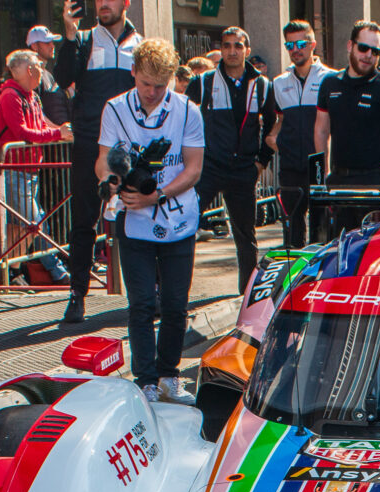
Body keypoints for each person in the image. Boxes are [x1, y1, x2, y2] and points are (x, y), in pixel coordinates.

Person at [98, 38, 204, 404]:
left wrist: (156, 195)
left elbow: (193, 168)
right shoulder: (114, 108)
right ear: (133, 73)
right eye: (146, 84)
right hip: (134, 222)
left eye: (161, 86)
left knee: (175, 303)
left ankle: (169, 374)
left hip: (178, 220)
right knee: (141, 302)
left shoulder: (189, 110)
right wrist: (112, 182)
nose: (153, 92)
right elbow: (104, 160)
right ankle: (145, 379)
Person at [55, 0, 142, 324]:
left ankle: (147, 294)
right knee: (84, 221)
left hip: (131, 144)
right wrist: (68, 33)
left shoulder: (140, 43)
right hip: (91, 143)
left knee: (136, 214)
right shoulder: (84, 39)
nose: (103, 4)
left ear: (126, 3)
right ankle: (77, 294)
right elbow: (62, 77)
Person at [186, 26, 276, 294]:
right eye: (227, 46)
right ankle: (175, 293)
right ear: (221, 49)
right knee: (185, 226)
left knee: (245, 235)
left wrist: (261, 161)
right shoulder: (203, 83)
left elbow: (272, 125)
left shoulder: (261, 84)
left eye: (238, 46)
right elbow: (184, 120)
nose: (232, 51)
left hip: (242, 170)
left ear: (247, 50)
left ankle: (247, 294)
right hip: (209, 167)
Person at [314, 19, 380, 235]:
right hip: (339, 182)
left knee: (371, 253)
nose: (368, 55)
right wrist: (322, 176)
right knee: (336, 251)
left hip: (375, 182)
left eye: (375, 51)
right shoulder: (330, 83)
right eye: (363, 48)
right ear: (350, 46)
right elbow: (321, 130)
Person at [0, 49, 73, 283]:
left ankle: (12, 273)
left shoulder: (31, 96)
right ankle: (56, 272)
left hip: (29, 170)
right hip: (15, 170)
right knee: (35, 222)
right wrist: (57, 133)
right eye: (39, 65)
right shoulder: (10, 95)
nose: (42, 70)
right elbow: (22, 132)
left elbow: (41, 124)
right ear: (29, 70)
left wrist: (63, 131)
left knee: (22, 226)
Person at [272, 18, 332, 247]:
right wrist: (273, 137)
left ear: (313, 44)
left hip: (319, 164)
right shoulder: (278, 83)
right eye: (289, 45)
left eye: (301, 44)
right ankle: (295, 279)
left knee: (321, 228)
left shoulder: (330, 78)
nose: (295, 50)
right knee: (291, 229)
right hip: (290, 165)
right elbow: (279, 118)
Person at [27, 25, 71, 126]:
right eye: (47, 42)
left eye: (52, 42)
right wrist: (58, 131)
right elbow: (34, 111)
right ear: (34, 46)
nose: (52, 46)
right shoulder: (30, 75)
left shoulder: (48, 75)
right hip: (44, 138)